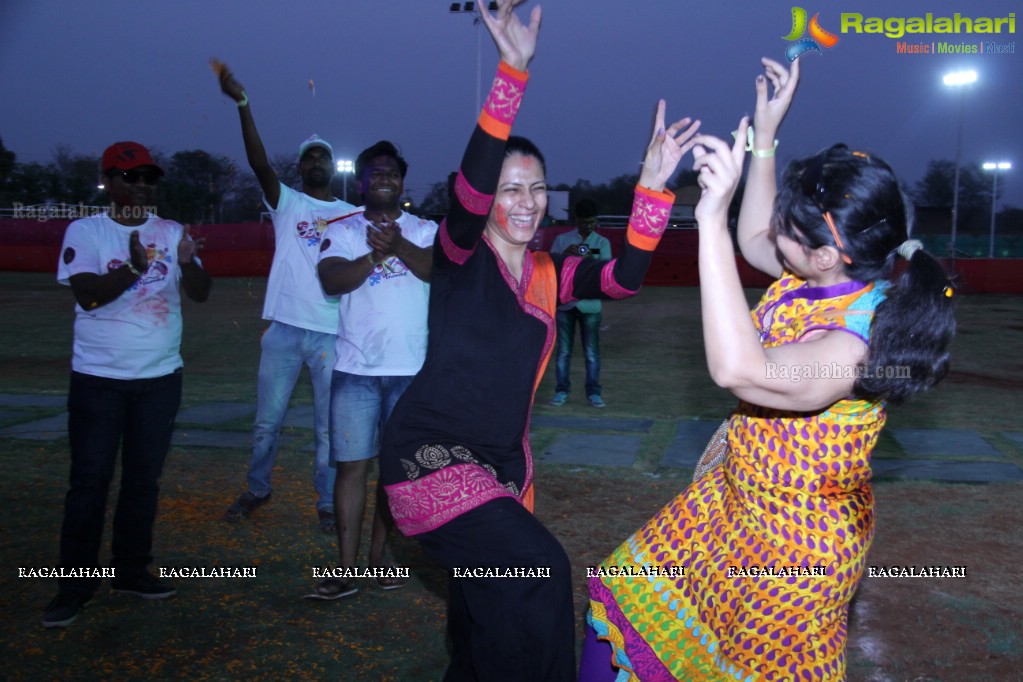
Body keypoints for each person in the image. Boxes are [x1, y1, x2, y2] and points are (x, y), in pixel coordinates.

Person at [583, 58, 956, 681]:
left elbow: (741, 370)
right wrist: (764, 137)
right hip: (730, 505)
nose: (771, 233)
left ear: (829, 253)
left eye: (790, 226)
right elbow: (756, 237)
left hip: (796, 549)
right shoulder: (814, 277)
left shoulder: (854, 342)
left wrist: (706, 217)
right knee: (622, 601)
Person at [377, 1, 700, 678]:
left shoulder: (552, 271)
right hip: (428, 462)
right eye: (509, 189)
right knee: (540, 571)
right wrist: (512, 73)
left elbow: (624, 277)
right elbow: (467, 187)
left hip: (499, 475)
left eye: (537, 189)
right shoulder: (460, 252)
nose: (524, 202)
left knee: (482, 615)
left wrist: (649, 185)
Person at [43, 141, 212, 628]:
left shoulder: (171, 231)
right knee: (89, 483)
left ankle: (131, 571)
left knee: (143, 482)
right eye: (131, 177)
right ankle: (73, 587)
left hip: (159, 379)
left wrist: (186, 262)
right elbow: (89, 296)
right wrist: (136, 268)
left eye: (148, 178)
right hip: (99, 380)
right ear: (110, 183)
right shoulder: (87, 231)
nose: (141, 185)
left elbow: (201, 294)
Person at [216, 63, 357, 533]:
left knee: (326, 428)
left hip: (330, 332)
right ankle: (258, 487)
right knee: (266, 422)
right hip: (283, 330)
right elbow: (257, 163)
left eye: (323, 156)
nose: (315, 161)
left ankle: (327, 503)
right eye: (308, 157)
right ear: (299, 167)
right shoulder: (287, 203)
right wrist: (243, 103)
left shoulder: (350, 214)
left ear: (332, 166)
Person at [309, 140, 436, 599]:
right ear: (361, 181)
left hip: (411, 370)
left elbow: (437, 271)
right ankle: (346, 571)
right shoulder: (341, 229)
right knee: (351, 468)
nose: (384, 178)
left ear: (402, 181)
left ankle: (378, 562)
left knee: (394, 471)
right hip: (356, 370)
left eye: (392, 172)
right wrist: (376, 255)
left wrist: (397, 243)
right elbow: (331, 280)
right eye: (375, 172)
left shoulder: (424, 229)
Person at [549, 198, 613, 408]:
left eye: (593, 222)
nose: (590, 226)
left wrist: (584, 252)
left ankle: (594, 393)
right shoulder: (562, 240)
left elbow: (606, 262)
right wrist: (563, 255)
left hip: (590, 305)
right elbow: (550, 264)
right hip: (565, 305)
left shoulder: (602, 242)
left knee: (591, 352)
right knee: (564, 352)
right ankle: (561, 391)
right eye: (586, 222)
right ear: (577, 220)